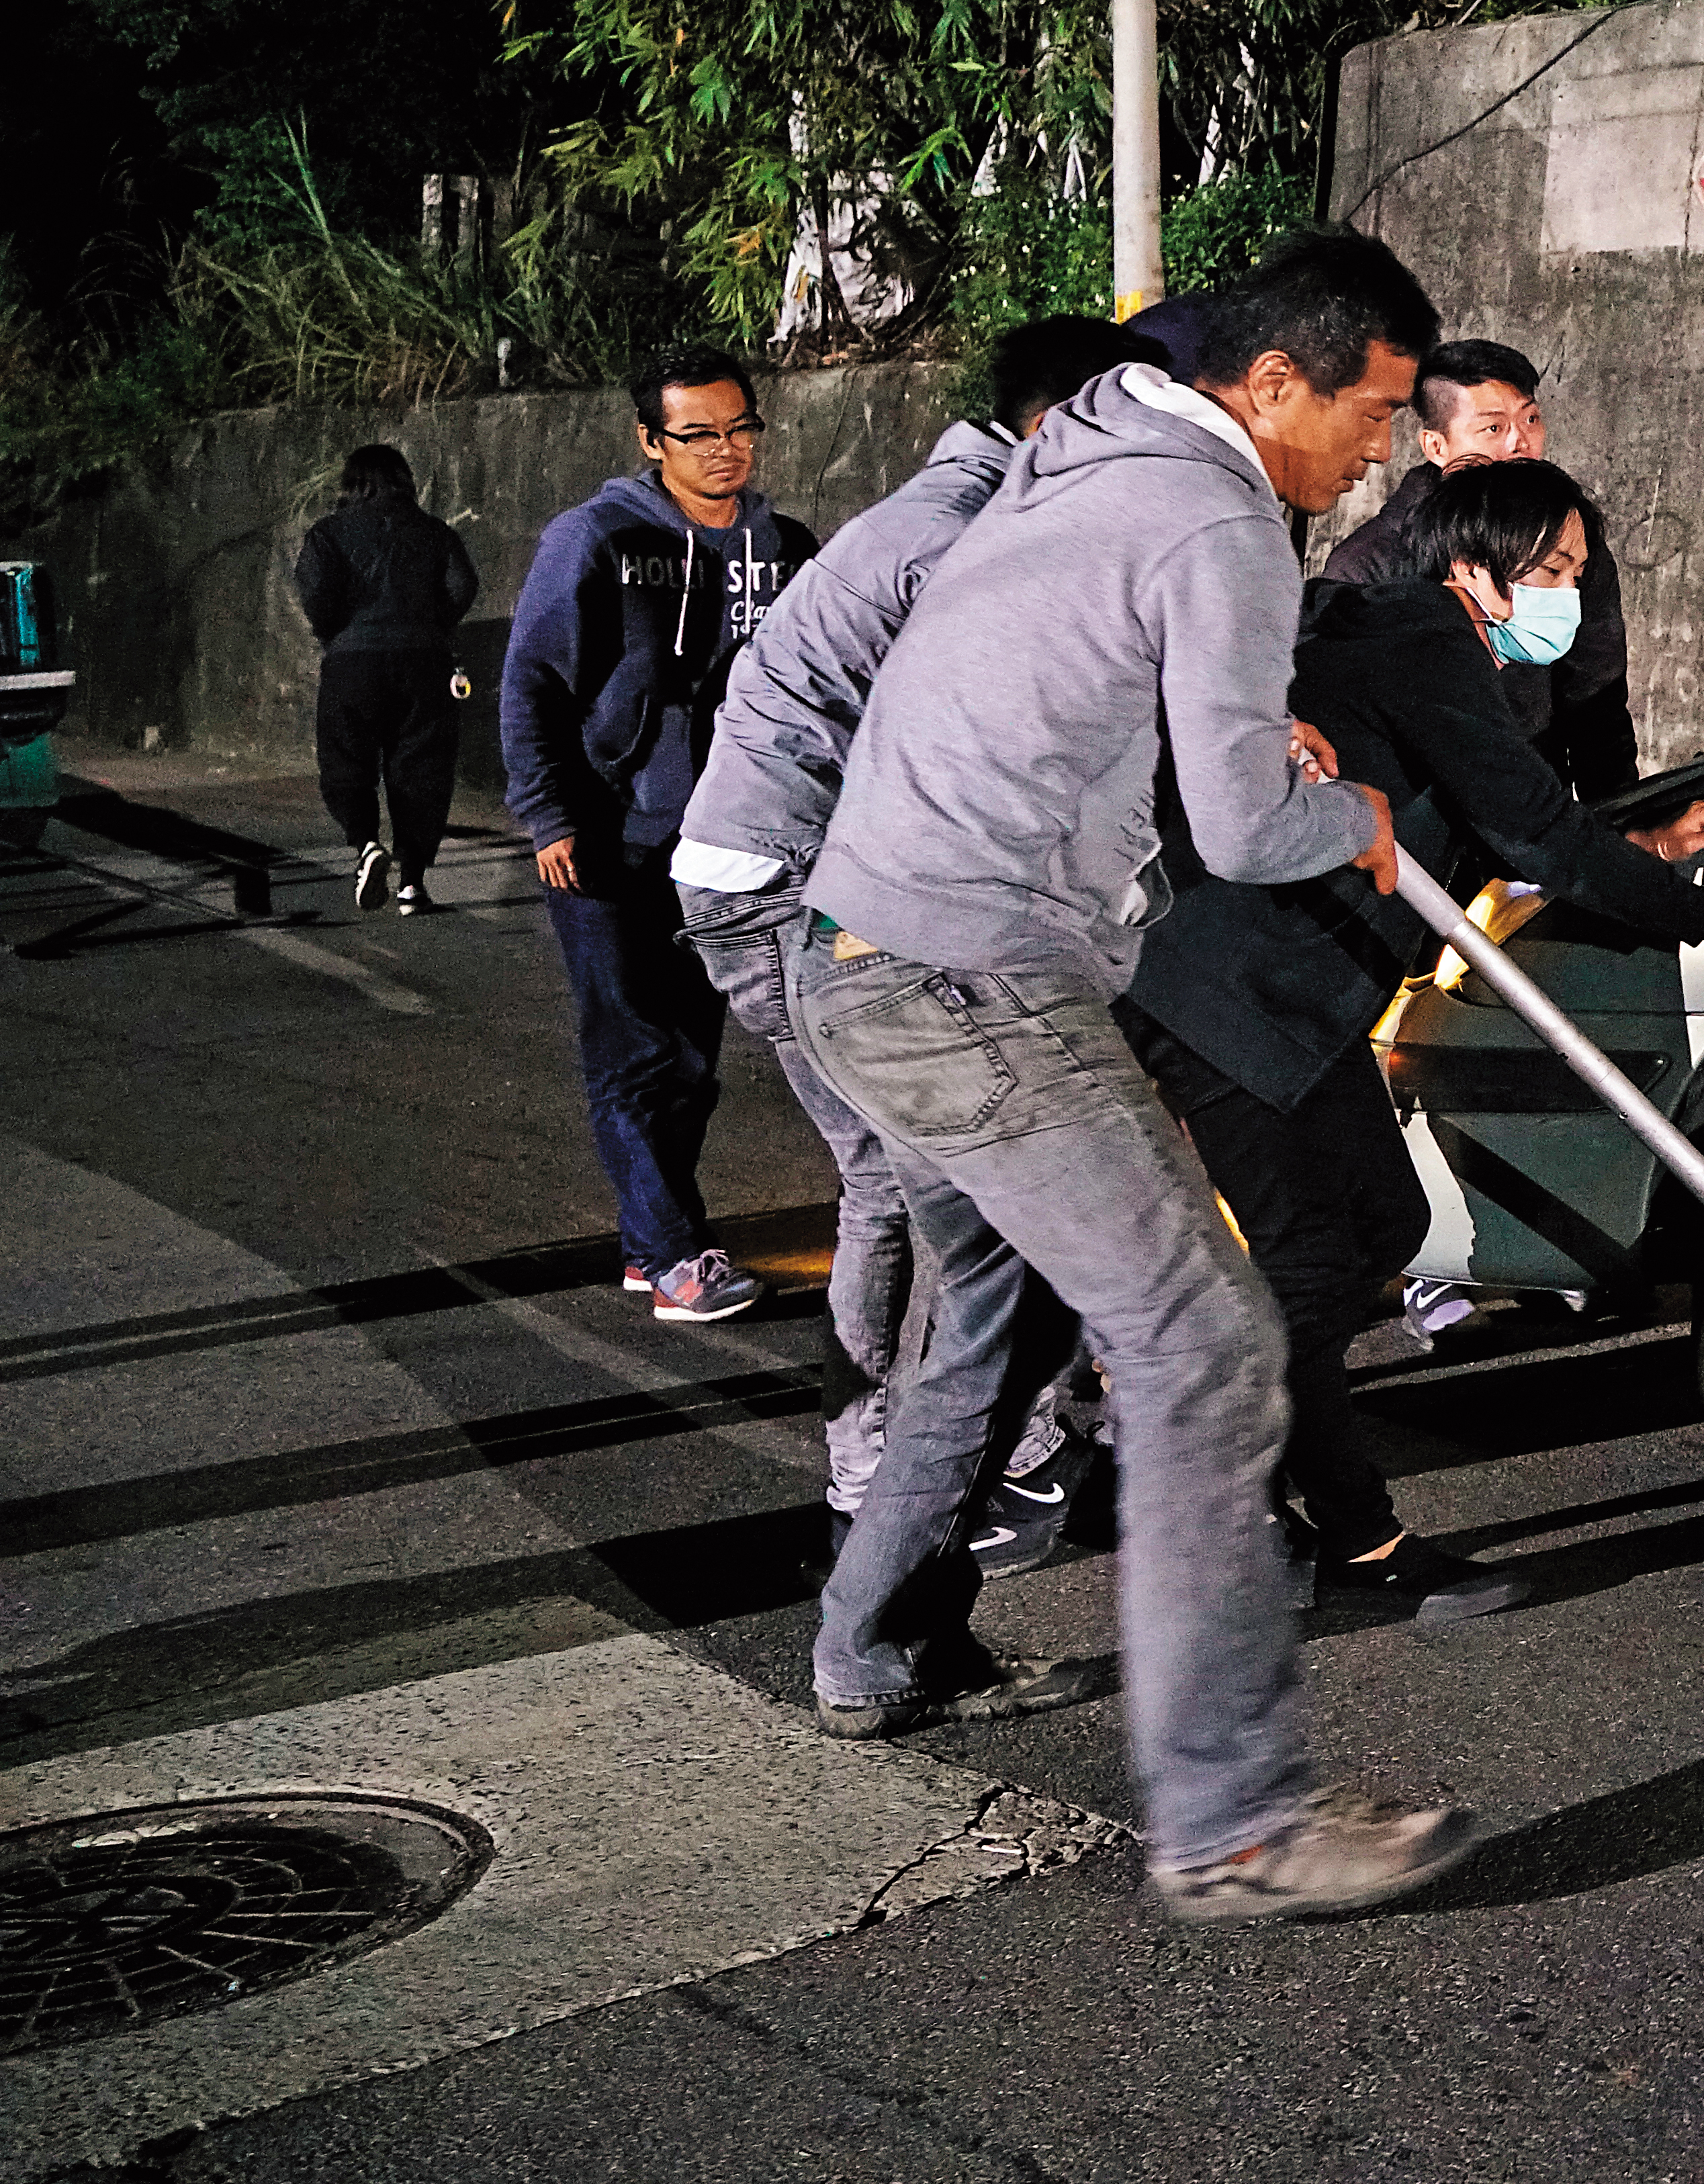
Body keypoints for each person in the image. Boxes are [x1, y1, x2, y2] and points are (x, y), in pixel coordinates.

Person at [793, 229, 1479, 1925]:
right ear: (1272, 385)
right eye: (1375, 412)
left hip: (875, 956)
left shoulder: (1087, 454)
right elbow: (1248, 829)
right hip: (970, 981)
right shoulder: (1220, 510)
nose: (1380, 453)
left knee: (992, 1324)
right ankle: (1234, 1816)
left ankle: (866, 1645)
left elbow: (1100, 696)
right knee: (1206, 1340)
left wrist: (1248, 731)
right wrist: (1359, 817)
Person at [1126, 455, 1704, 1620]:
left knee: (1382, 1223)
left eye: (1577, 566)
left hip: (1291, 1005)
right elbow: (1533, 829)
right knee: (1315, 1258)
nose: (1570, 590)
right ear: (1476, 570)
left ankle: (1247, 1482)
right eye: (1551, 568)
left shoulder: (1414, 646)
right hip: (1233, 995)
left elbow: (1503, 814)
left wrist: (1639, 845)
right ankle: (1321, 1533)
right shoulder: (1421, 639)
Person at [670, 314, 1154, 1520]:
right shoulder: (962, 543)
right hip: (788, 878)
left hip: (791, 865)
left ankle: (944, 1451)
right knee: (923, 1172)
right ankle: (890, 1468)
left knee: (931, 1169)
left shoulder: (975, 514)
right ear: (1068, 425)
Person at [500, 349, 817, 1321]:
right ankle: (677, 1258)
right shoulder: (594, 540)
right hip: (609, 834)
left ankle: (652, 1239)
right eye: (698, 434)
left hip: (734, 840)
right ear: (651, 441)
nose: (726, 452)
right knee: (633, 1049)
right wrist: (549, 812)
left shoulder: (790, 546)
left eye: (740, 429)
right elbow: (532, 681)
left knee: (691, 1058)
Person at [1322, 337, 1639, 799]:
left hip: (1533, 795)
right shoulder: (1370, 565)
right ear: (1435, 445)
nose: (1520, 443)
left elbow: (1597, 699)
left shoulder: (1569, 541)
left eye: (1531, 419)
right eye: (1493, 430)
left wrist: (1621, 829)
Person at [292, 442, 478, 915]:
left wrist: (337, 633)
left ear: (351, 483)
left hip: (353, 661)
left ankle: (365, 845)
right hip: (425, 661)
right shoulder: (434, 532)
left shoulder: (328, 533)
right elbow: (461, 586)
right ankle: (412, 885)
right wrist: (433, 627)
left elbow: (315, 593)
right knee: (421, 769)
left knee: (346, 761)